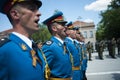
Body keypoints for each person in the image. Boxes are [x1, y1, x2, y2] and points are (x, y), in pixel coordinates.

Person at [0, 0, 46, 80]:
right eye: (32, 9)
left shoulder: (34, 48)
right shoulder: (4, 50)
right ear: (15, 14)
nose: (39, 13)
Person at [42, 11, 72, 80]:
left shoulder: (64, 45)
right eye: (62, 25)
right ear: (54, 28)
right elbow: (44, 73)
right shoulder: (49, 47)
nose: (66, 27)